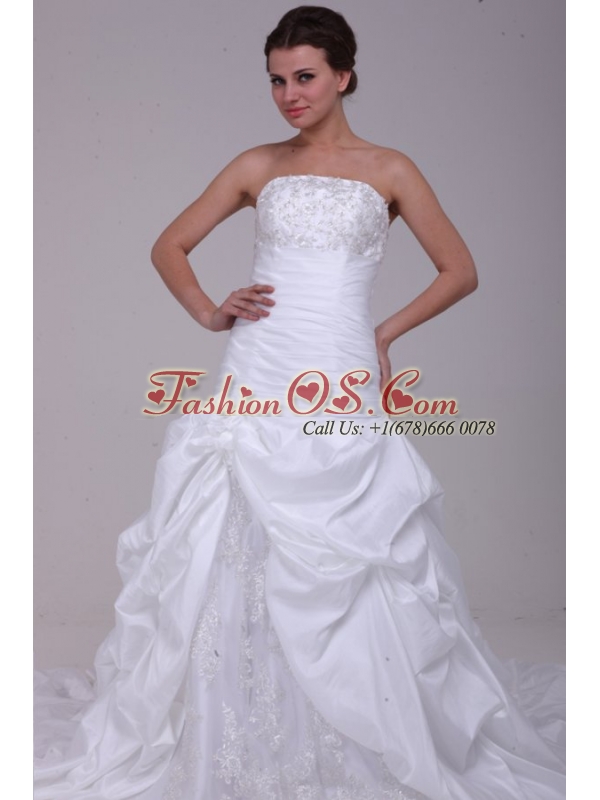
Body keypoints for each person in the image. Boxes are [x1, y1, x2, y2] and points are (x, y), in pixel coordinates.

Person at [34, 6, 566, 799]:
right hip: (258, 366)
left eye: (306, 77)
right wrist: (210, 311)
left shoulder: (391, 169)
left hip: (339, 366)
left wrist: (383, 333)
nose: (290, 94)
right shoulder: (257, 164)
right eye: (277, 80)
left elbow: (460, 270)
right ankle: (234, 719)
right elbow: (168, 245)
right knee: (228, 525)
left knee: (353, 539)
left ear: (344, 75)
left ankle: (359, 727)